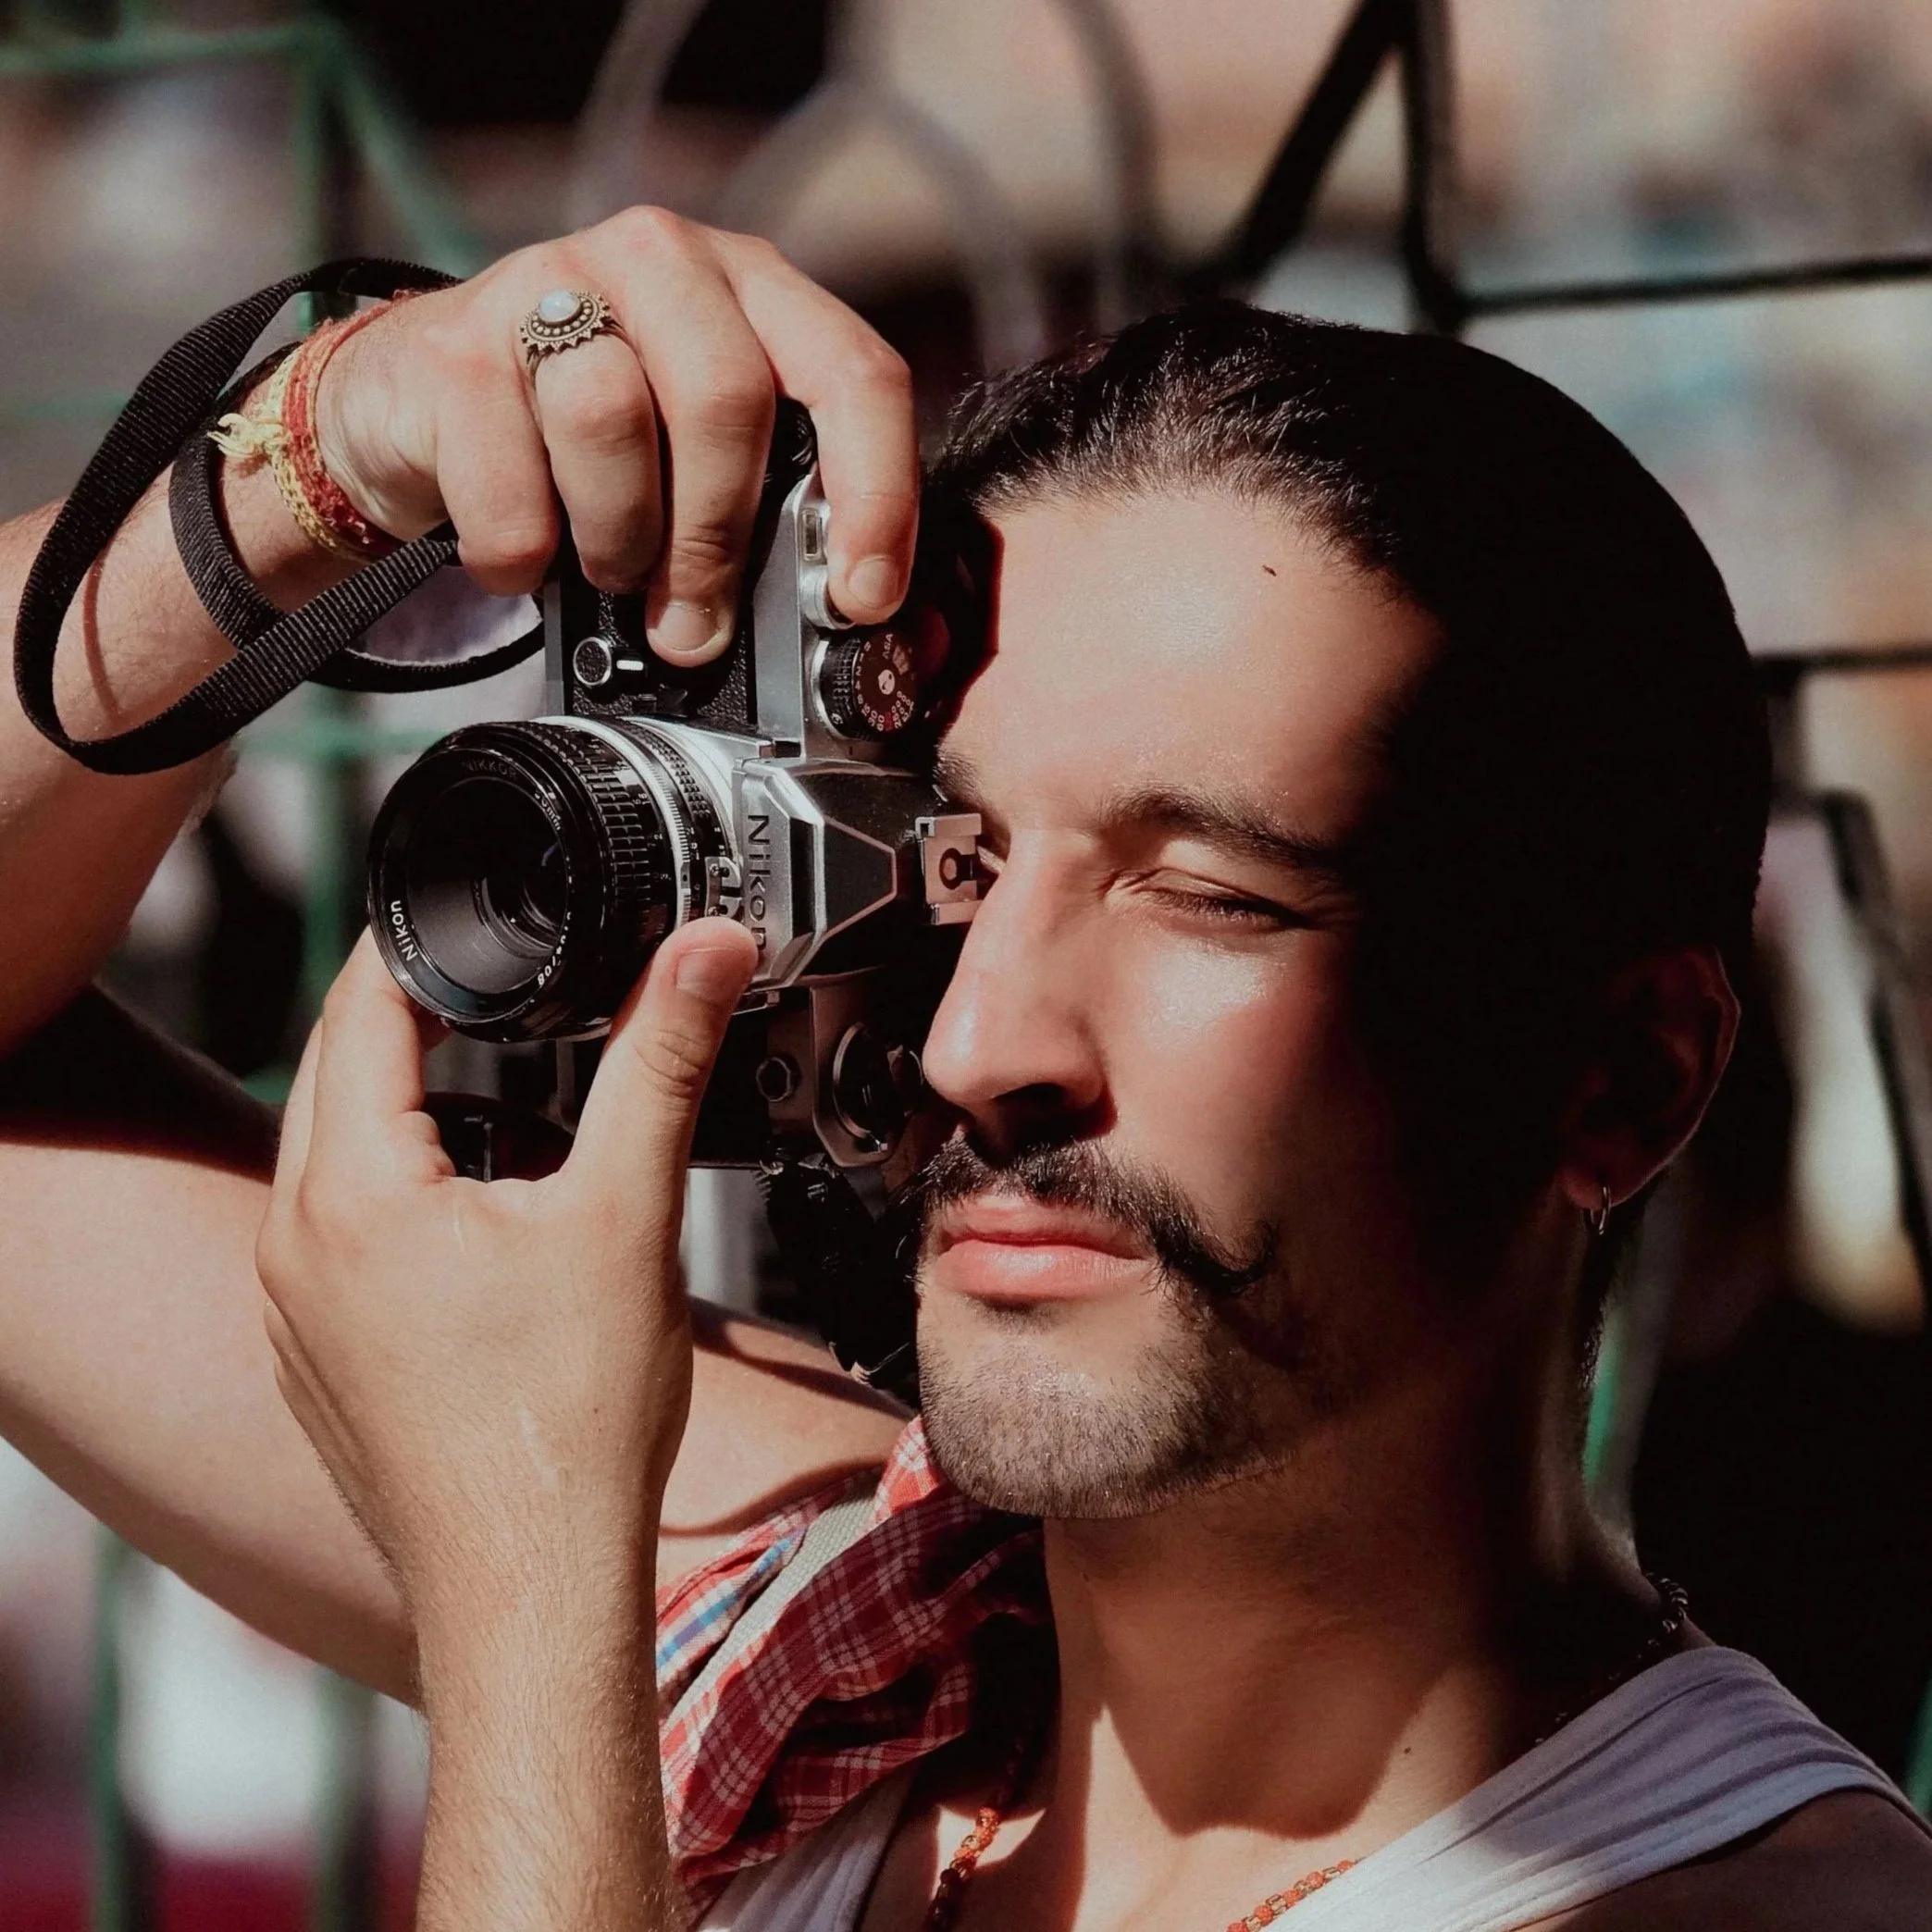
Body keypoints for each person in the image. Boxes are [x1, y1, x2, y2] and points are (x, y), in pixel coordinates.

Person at [1, 209, 1928, 1932]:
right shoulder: (841, 1637)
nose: (983, 1040)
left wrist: (525, 1598)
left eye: (1214, 899)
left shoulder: (1740, 1901)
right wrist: (307, 466)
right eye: (963, 867)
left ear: (1626, 1079)